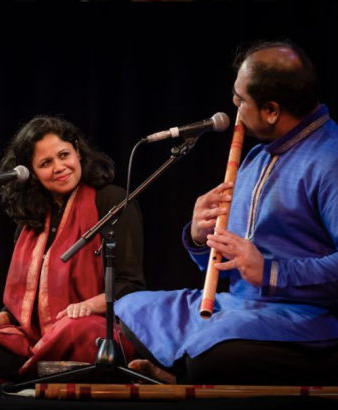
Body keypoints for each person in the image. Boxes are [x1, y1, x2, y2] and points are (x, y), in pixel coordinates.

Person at [115, 40, 338, 385]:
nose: (233, 106)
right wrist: (200, 237)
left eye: (241, 100)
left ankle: (186, 370)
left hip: (299, 318)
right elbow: (229, 262)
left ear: (272, 111)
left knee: (213, 352)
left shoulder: (330, 159)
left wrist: (271, 272)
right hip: (236, 308)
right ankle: (186, 370)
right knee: (133, 309)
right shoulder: (257, 157)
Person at [0, 115, 146, 381]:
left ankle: (26, 371)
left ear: (77, 150)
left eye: (64, 154)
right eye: (45, 163)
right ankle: (42, 369)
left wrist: (88, 306)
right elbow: (19, 310)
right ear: (31, 173)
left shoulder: (111, 201)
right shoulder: (31, 222)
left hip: (93, 330)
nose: (59, 167)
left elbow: (131, 286)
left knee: (75, 330)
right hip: (33, 338)